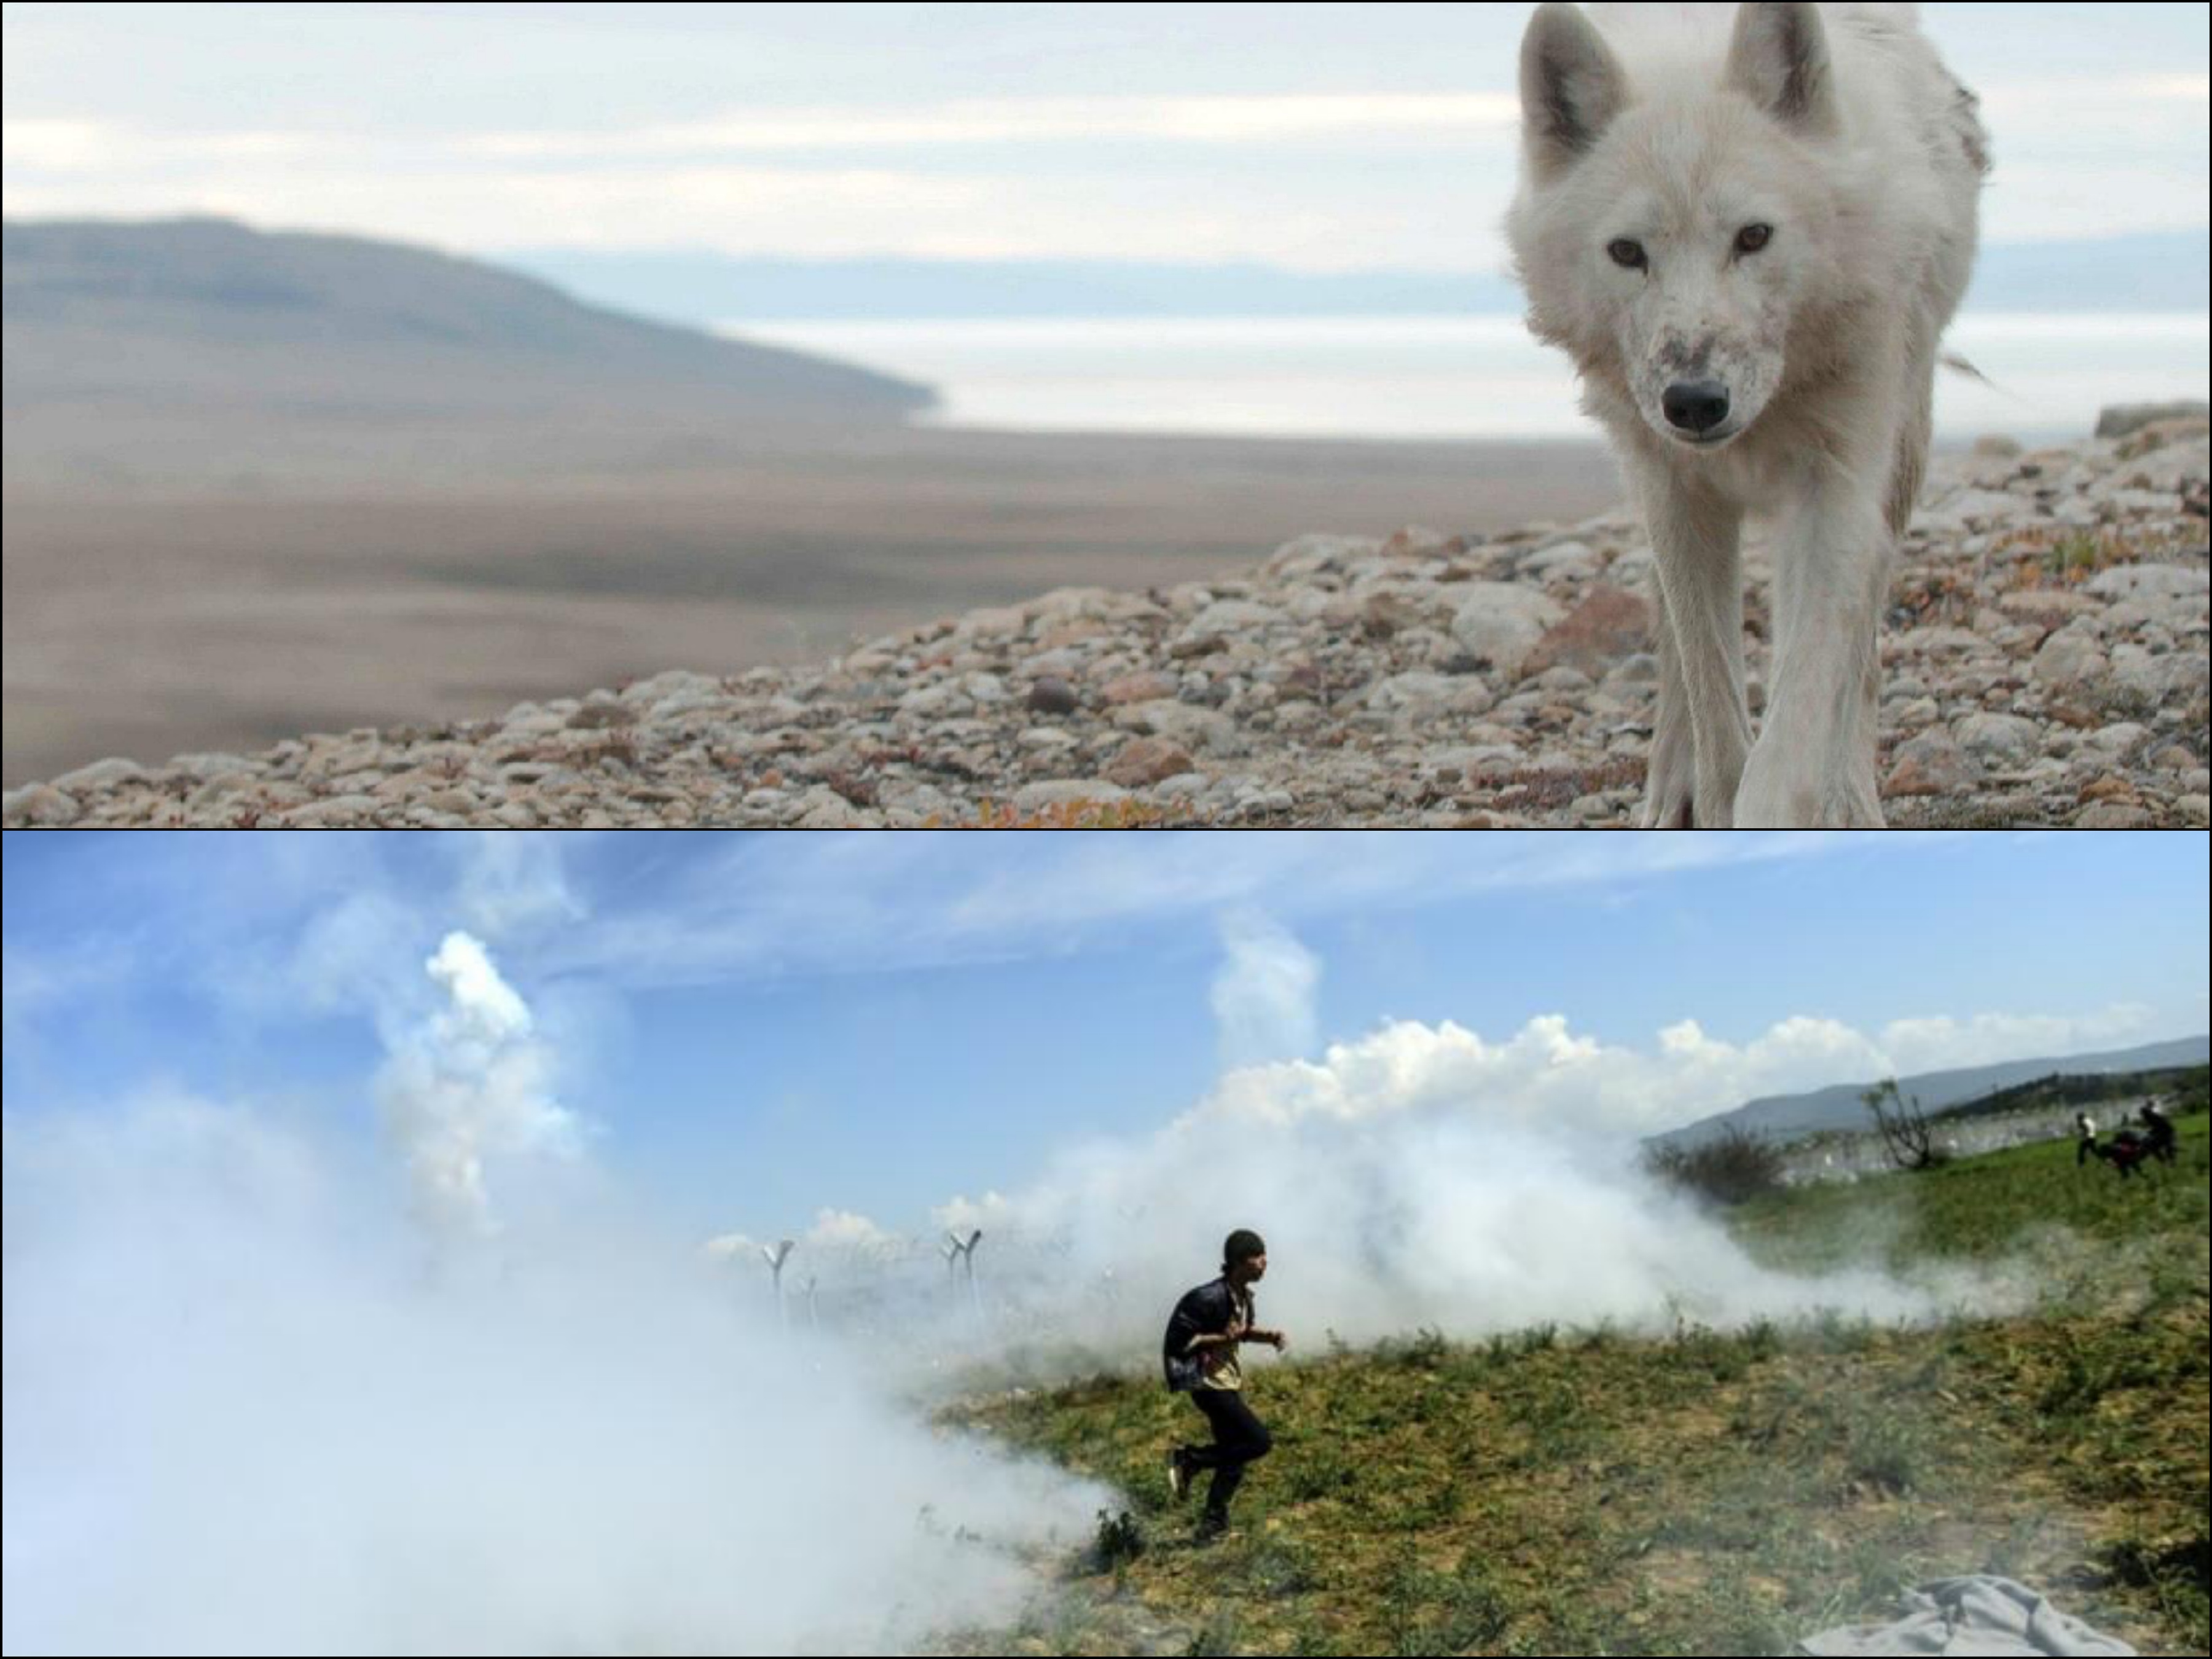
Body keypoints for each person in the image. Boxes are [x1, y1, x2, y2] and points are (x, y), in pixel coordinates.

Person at [1161, 1228, 1287, 1541]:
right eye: (1258, 1256)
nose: (1265, 1262)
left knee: (1234, 1457)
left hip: (1227, 1381)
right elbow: (1181, 1342)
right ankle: (1190, 1460)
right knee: (1258, 1442)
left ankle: (1212, 1526)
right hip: (1207, 1384)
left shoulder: (1242, 1295)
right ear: (1240, 1261)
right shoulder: (1206, 1297)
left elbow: (1240, 1333)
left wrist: (1270, 1337)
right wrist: (1222, 1337)